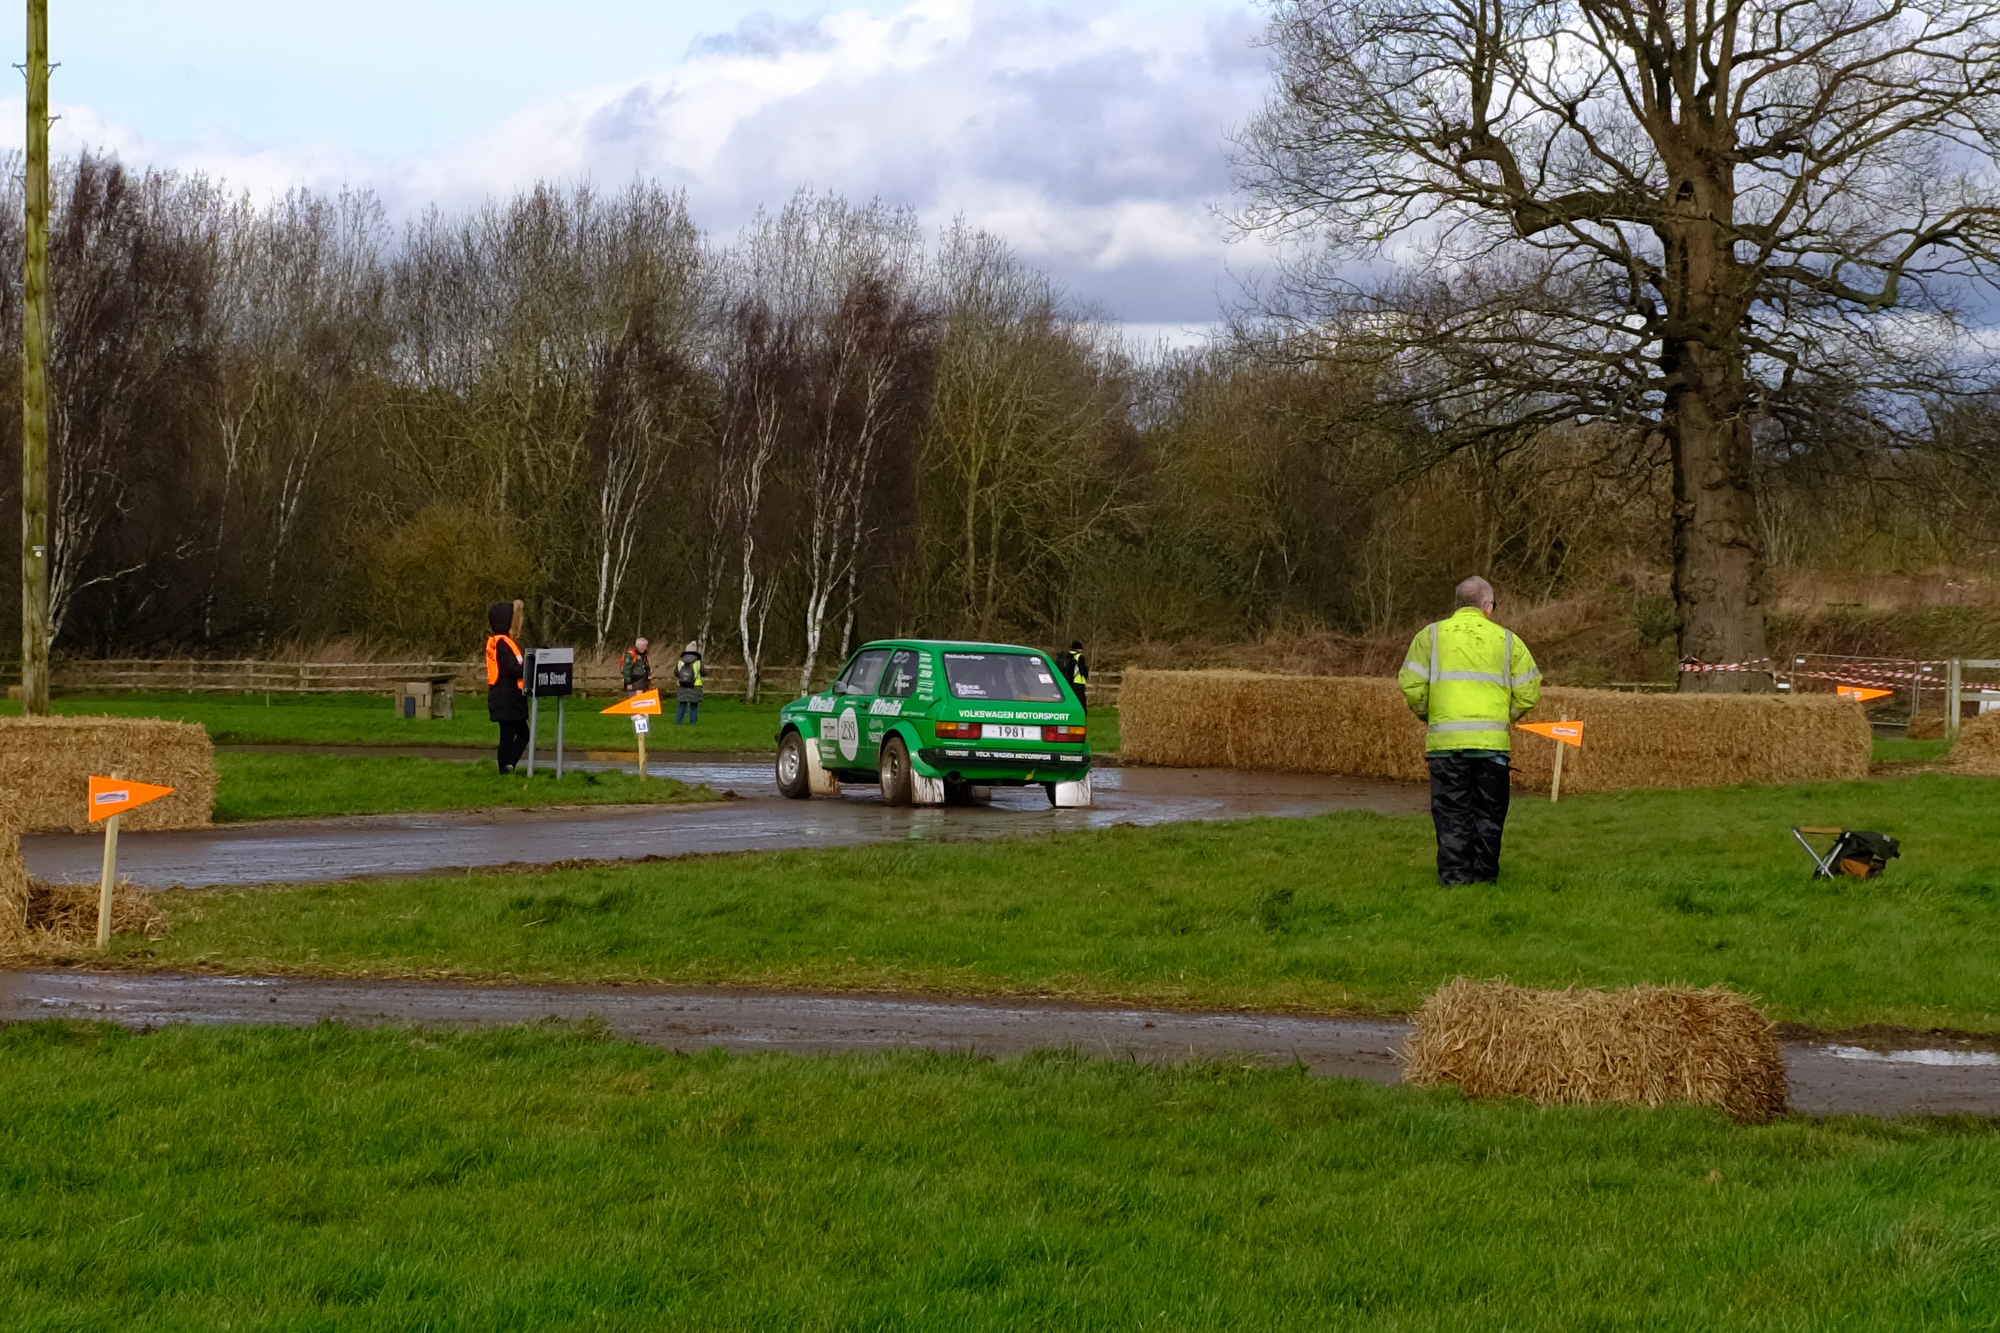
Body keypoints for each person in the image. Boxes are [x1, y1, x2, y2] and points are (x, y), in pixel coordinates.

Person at [1397, 576, 1541, 886]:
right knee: (1489, 814)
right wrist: (1504, 716)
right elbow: (1529, 691)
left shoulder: (1430, 636)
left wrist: (1429, 714)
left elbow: (1411, 685)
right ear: (1487, 606)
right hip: (1492, 745)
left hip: (1446, 744)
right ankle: (1484, 877)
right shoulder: (1508, 641)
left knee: (1451, 814)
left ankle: (1454, 879)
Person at [485, 601, 529, 773]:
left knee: (515, 735)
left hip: (505, 696)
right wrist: (529, 667)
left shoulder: (497, 642)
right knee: (513, 735)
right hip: (507, 697)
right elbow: (512, 669)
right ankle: (505, 768)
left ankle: (507, 766)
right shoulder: (504, 644)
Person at [674, 640, 704, 725]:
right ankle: (693, 723)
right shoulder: (698, 662)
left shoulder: (680, 662)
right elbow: (703, 673)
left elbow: (676, 673)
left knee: (682, 704)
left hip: (682, 685)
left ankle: (679, 722)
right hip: (695, 686)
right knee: (694, 705)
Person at [1054, 640, 1089, 709]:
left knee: (1069, 699)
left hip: (1066, 682)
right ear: (1079, 649)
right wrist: (1086, 675)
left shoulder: (1064, 657)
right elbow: (1083, 670)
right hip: (1078, 682)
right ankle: (1081, 713)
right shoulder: (1079, 657)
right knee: (1081, 701)